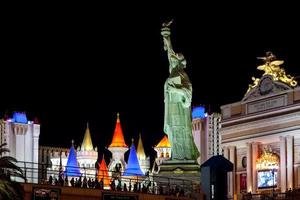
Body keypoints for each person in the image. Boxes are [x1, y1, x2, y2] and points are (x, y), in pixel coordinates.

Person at [161, 21, 199, 160]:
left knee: (181, 131)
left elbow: (188, 93)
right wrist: (166, 34)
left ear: (180, 62)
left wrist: (175, 89)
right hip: (171, 109)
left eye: (176, 58)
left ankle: (184, 157)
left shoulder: (182, 75)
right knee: (172, 130)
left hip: (181, 112)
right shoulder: (173, 71)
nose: (173, 58)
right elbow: (169, 52)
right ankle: (176, 156)